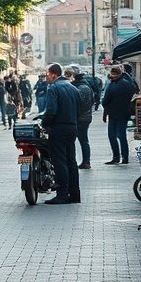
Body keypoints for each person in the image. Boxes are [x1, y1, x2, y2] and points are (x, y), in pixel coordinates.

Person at [40, 63, 81, 205]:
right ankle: (75, 194)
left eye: (47, 75)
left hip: (59, 129)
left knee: (60, 161)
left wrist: (45, 124)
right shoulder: (73, 88)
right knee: (71, 161)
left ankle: (62, 193)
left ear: (53, 74)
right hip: (72, 127)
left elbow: (51, 110)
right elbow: (79, 109)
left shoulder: (54, 88)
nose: (46, 78)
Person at [100, 65, 133, 165]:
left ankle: (116, 157)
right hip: (124, 113)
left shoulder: (112, 85)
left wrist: (105, 110)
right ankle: (125, 157)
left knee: (112, 135)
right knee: (122, 135)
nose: (112, 76)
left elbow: (105, 101)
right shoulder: (128, 83)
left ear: (116, 75)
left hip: (114, 114)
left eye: (113, 74)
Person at [64, 65, 94, 169]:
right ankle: (85, 161)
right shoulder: (82, 86)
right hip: (83, 117)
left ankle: (86, 161)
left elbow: (79, 104)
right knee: (82, 139)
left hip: (81, 118)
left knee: (83, 140)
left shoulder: (82, 87)